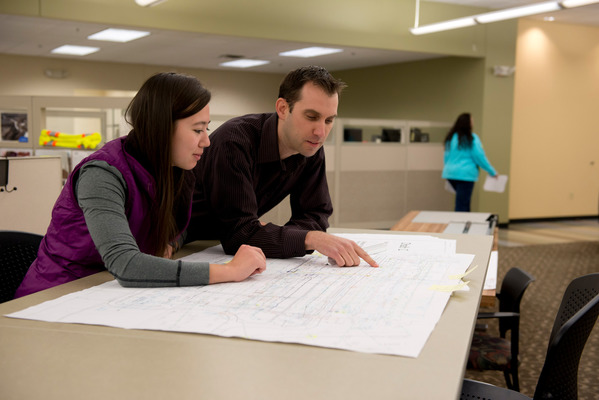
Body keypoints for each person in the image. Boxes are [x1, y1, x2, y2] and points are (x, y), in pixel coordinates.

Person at [15, 72, 266, 298]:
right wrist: (229, 270)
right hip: (56, 296)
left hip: (110, 292)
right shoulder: (102, 173)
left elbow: (182, 226)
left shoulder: (175, 170)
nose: (206, 142)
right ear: (162, 128)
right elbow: (126, 264)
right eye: (198, 130)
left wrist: (171, 243)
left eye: (206, 129)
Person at [188, 65, 378, 268]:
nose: (321, 132)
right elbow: (238, 233)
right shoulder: (235, 141)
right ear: (282, 109)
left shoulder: (309, 147)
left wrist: (298, 237)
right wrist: (309, 239)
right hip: (182, 241)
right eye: (311, 117)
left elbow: (315, 214)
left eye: (329, 120)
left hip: (215, 246)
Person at [442, 112, 497, 212]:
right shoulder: (472, 138)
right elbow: (479, 157)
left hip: (450, 174)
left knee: (462, 202)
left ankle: (464, 224)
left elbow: (446, 157)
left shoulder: (450, 137)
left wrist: (447, 171)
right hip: (465, 175)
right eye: (472, 121)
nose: (473, 123)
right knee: (462, 205)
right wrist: (492, 171)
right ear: (468, 123)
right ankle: (460, 226)